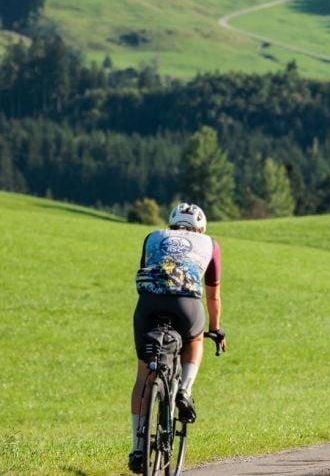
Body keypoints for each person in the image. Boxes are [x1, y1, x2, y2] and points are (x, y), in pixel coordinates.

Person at [128, 203, 224, 474]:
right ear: (201, 228)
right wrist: (215, 329)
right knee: (195, 341)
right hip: (186, 306)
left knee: (142, 376)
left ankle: (138, 447)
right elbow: (213, 295)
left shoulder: (153, 237)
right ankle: (184, 389)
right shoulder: (210, 244)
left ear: (171, 225)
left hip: (149, 304)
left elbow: (148, 271)